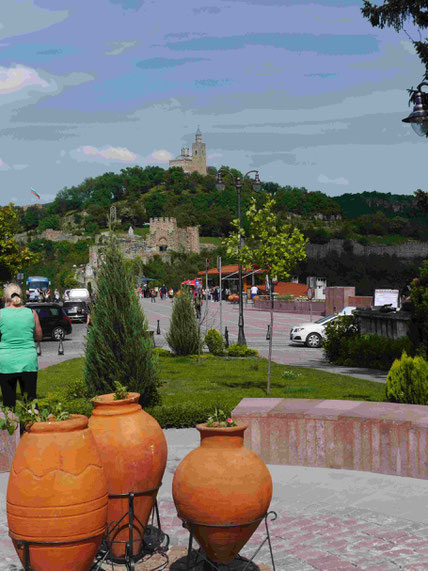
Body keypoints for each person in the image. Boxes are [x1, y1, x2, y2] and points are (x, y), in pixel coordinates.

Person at [0, 284, 43, 408]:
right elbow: (39, 336)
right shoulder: (32, 313)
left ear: (5, 298)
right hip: (28, 361)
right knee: (31, 401)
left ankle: (10, 426)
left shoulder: (1, 314)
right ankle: (32, 424)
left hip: (6, 362)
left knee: (8, 403)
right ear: (21, 295)